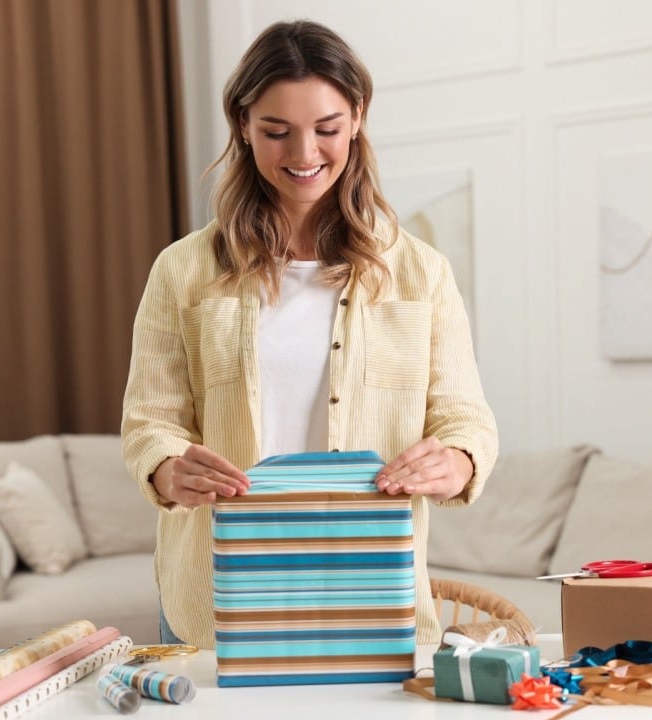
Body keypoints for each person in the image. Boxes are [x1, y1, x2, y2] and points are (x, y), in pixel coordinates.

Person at [121, 19, 498, 648]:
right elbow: (149, 422)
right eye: (277, 131)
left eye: (326, 129)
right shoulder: (182, 271)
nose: (304, 155)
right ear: (242, 125)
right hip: (218, 594)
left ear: (356, 118)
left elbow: (466, 419)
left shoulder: (421, 274)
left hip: (374, 592)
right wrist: (166, 469)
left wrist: (455, 460)